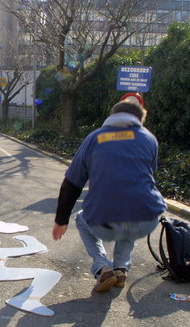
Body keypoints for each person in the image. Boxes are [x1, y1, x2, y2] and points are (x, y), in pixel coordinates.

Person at [52, 96, 167, 292]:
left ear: (112, 116)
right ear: (141, 119)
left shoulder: (95, 138)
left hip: (105, 222)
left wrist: (61, 220)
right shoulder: (149, 139)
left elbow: (72, 183)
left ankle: (102, 266)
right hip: (148, 218)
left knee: (81, 219)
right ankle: (121, 269)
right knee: (131, 210)